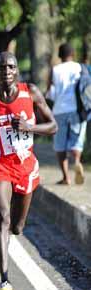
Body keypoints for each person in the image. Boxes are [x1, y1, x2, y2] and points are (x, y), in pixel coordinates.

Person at [0, 52, 57, 290]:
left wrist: (29, 127)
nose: (6, 71)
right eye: (1, 67)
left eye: (11, 67)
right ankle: (5, 280)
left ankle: (12, 238)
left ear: (17, 70)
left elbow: (53, 126)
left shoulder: (30, 92)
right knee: (3, 218)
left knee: (17, 226)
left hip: (25, 166)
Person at [46, 43, 86, 185]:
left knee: (60, 145)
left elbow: (49, 92)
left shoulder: (55, 70)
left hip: (59, 110)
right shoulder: (80, 67)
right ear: (72, 54)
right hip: (77, 110)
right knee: (76, 141)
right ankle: (76, 161)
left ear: (60, 55)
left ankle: (66, 177)